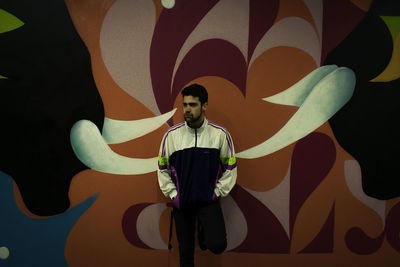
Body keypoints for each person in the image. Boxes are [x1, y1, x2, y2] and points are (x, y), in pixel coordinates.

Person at [157, 83, 237, 267]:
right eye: (185, 105)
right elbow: (162, 169)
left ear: (204, 106)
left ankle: (203, 228)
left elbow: (230, 168)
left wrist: (216, 193)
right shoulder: (172, 136)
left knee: (217, 245)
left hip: (207, 201)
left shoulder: (219, 135)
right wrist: (173, 195)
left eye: (192, 105)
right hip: (183, 202)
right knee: (186, 255)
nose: (187, 109)